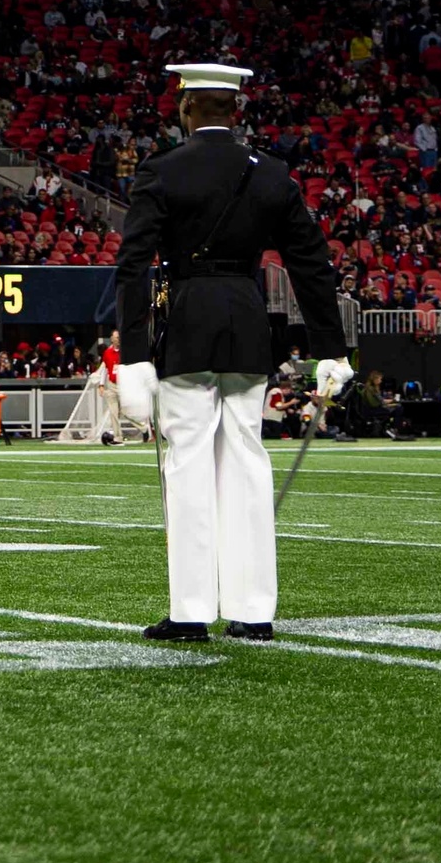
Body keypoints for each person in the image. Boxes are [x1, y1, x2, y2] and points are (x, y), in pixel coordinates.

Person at [115, 63, 348, 644]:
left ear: (187, 107)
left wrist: (135, 354)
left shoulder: (162, 171)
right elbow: (312, 266)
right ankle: (253, 610)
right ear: (234, 109)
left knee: (188, 462)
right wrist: (330, 349)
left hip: (189, 322)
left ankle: (191, 611)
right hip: (247, 323)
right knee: (247, 462)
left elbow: (133, 267)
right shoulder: (270, 174)